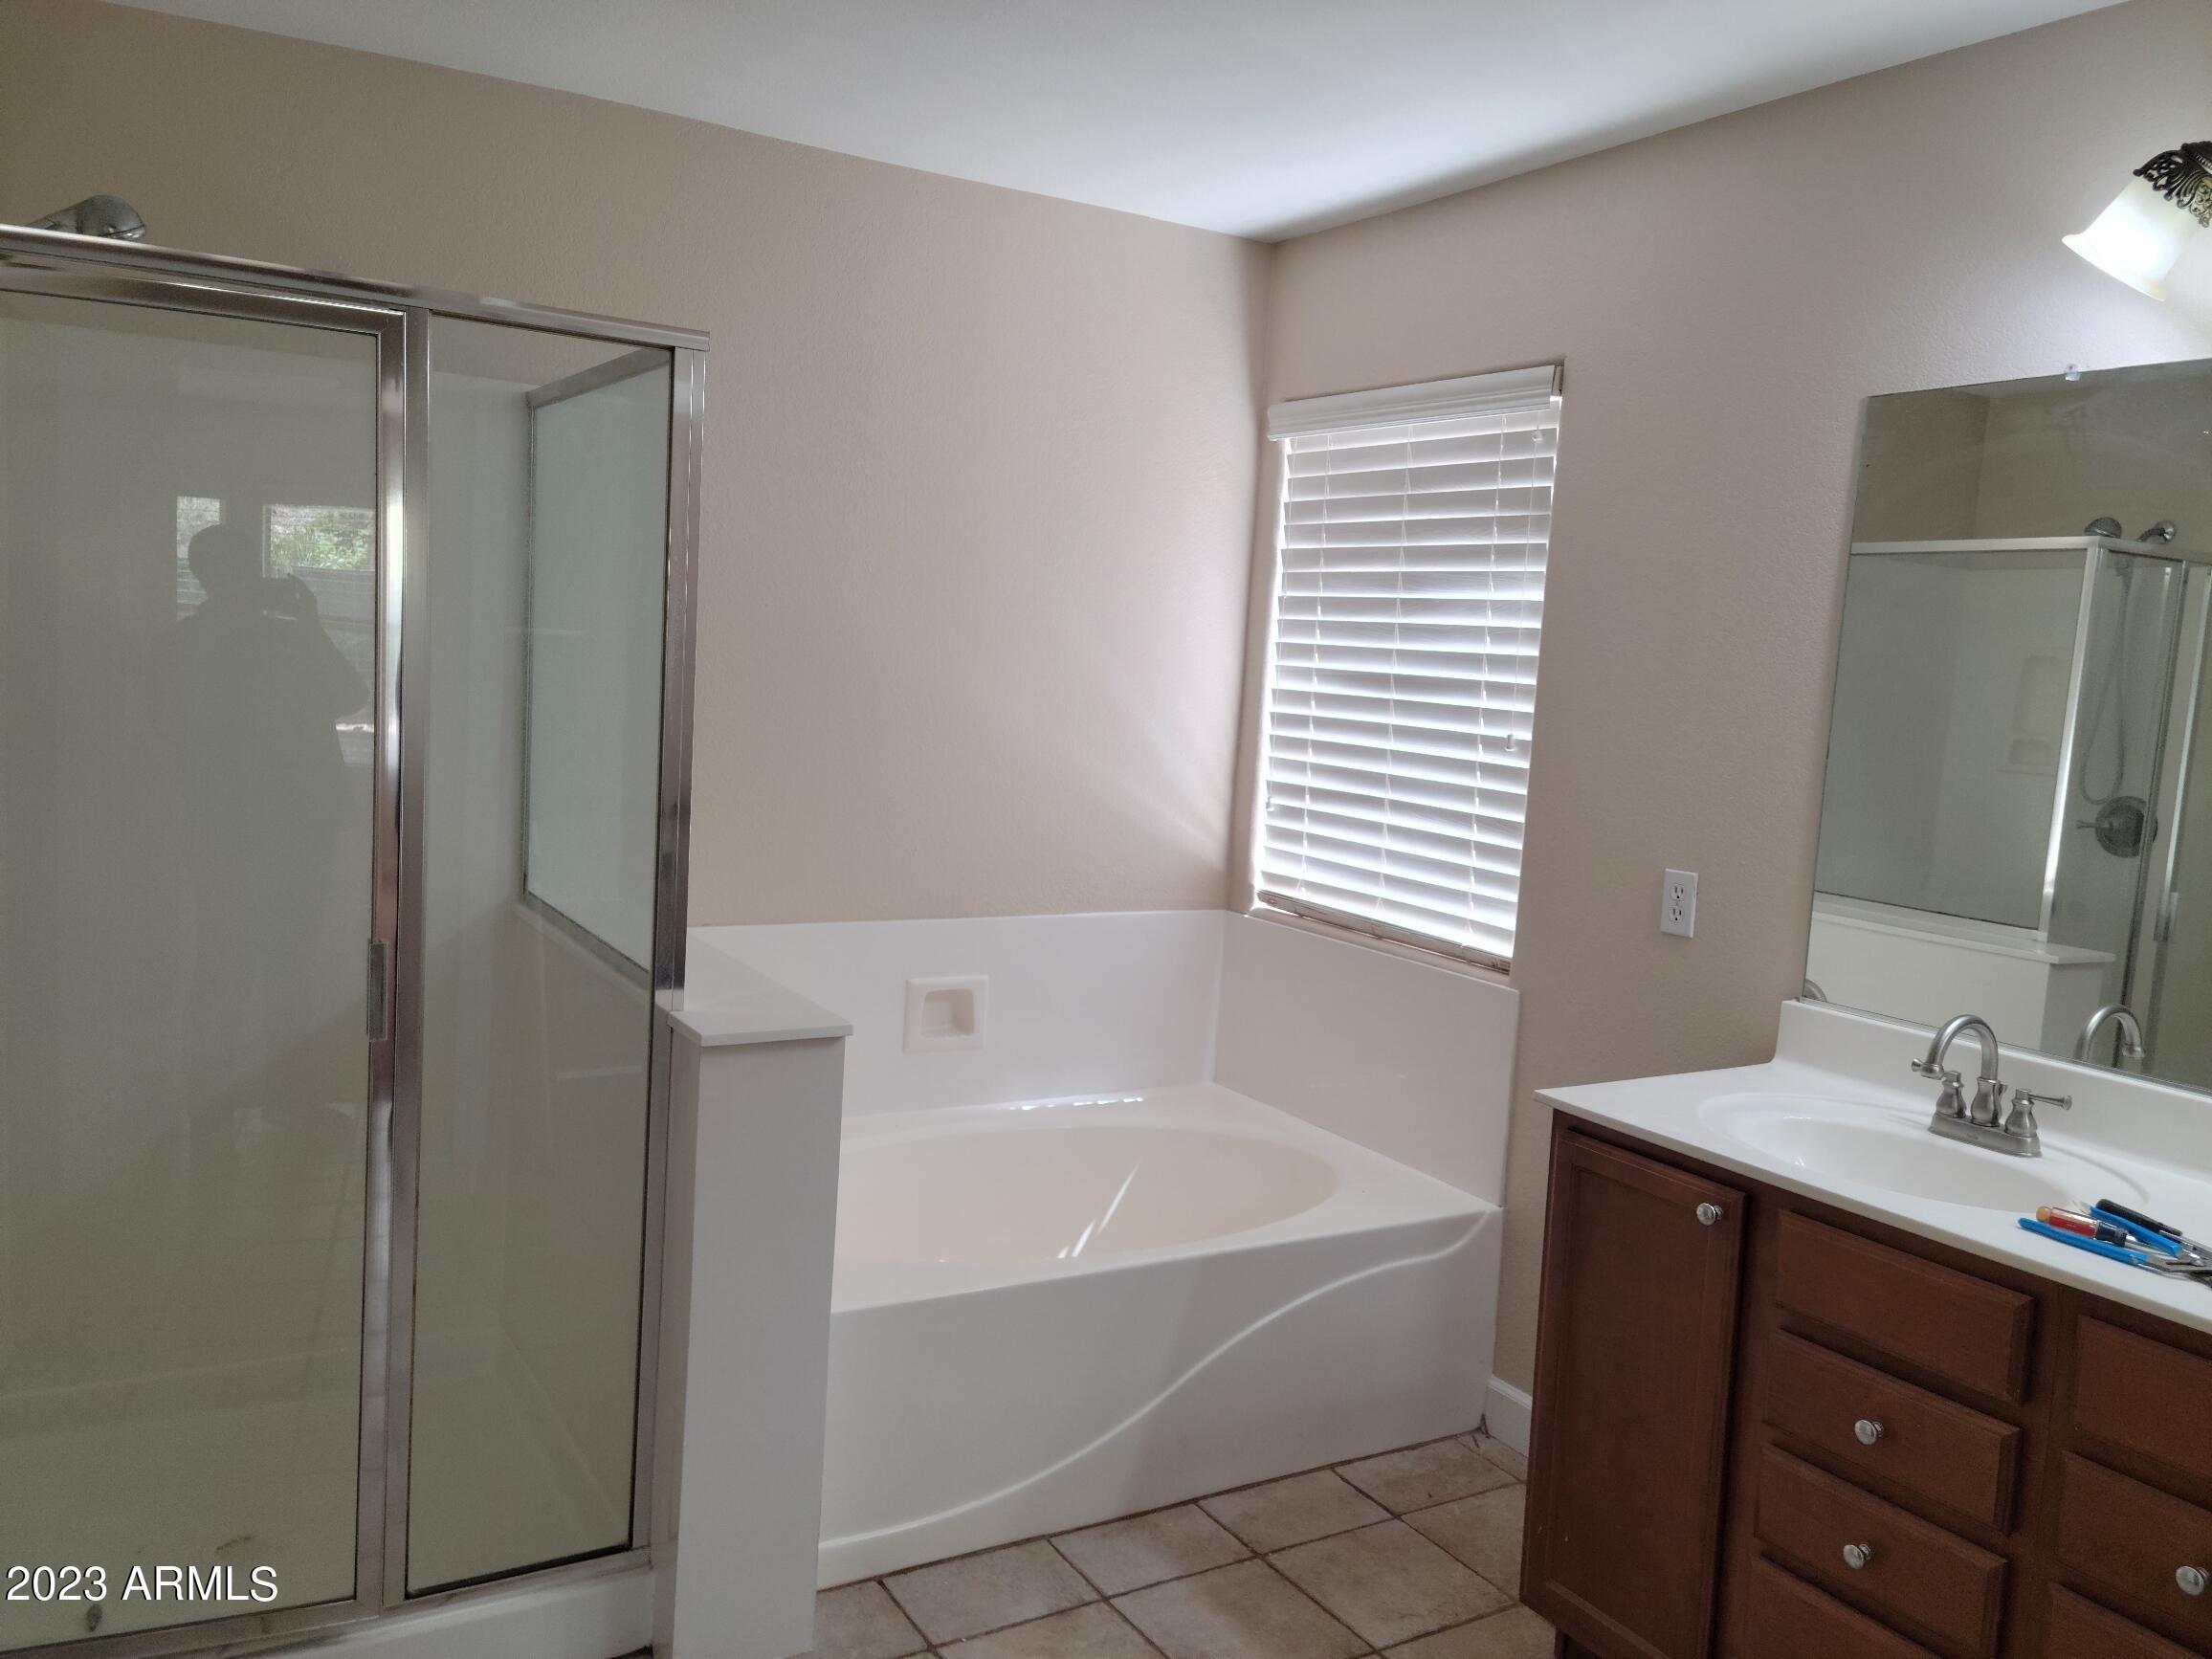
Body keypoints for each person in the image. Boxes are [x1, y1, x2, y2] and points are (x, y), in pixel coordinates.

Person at [158, 521, 370, 1169]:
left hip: (236, 830)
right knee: (260, 968)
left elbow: (349, 696)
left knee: (240, 968)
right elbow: (349, 694)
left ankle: (228, 1118)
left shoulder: (186, 642)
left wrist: (303, 629)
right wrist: (306, 627)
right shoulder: (261, 641)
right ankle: (261, 1109)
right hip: (273, 828)